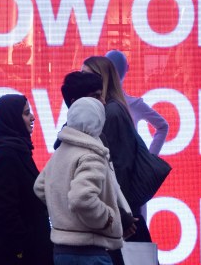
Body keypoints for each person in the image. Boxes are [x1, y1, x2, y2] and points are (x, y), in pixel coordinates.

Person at [34, 97, 130, 265]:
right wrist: (108, 218)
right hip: (89, 251)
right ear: (98, 121)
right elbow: (81, 199)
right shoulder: (91, 154)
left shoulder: (61, 151)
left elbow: (40, 187)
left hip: (61, 252)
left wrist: (63, 213)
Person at [81, 56, 151, 243]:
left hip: (119, 213)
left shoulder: (111, 112)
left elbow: (118, 166)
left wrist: (119, 211)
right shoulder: (108, 109)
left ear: (102, 79)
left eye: (85, 75)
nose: (81, 80)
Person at [0, 94, 52, 264]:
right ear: (12, 119)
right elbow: (6, 209)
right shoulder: (7, 154)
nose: (33, 117)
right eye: (26, 113)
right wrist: (20, 248)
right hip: (14, 254)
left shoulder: (17, 149)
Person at [104, 50, 169, 155]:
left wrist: (149, 161)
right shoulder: (134, 104)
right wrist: (150, 161)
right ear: (127, 68)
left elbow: (163, 126)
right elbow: (163, 126)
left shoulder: (96, 101)